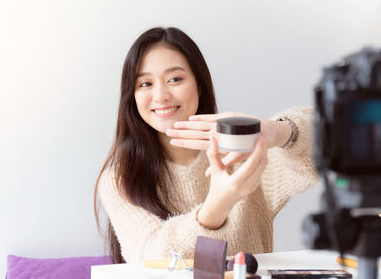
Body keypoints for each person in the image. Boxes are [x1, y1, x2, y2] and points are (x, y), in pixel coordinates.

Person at [94, 27, 318, 263]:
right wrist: (219, 203)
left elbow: (331, 141)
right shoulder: (121, 178)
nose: (160, 95)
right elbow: (151, 258)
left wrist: (279, 132)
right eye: (145, 84)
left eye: (175, 79)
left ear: (199, 85)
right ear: (132, 96)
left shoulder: (243, 154)